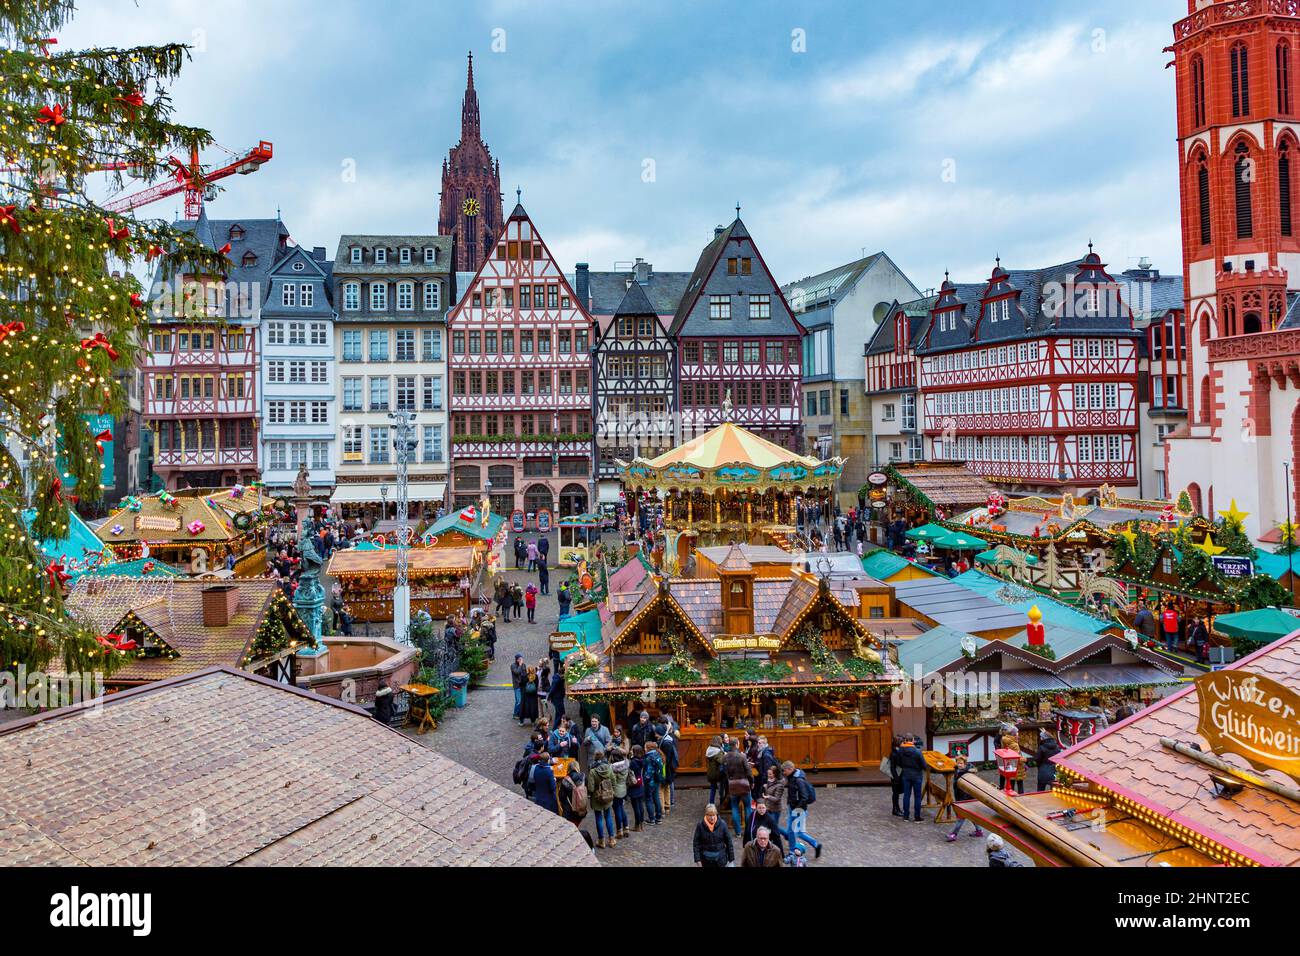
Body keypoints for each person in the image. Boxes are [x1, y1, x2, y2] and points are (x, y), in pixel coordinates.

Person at [784, 760, 823, 859]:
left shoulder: (798, 780)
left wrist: (796, 810)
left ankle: (815, 845)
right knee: (791, 831)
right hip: (793, 808)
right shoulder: (792, 777)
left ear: (790, 769)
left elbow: (804, 797)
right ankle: (793, 849)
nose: (783, 773)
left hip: (798, 810)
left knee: (798, 832)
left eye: (784, 771)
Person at [944, 755, 984, 842]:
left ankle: (954, 834)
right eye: (958, 763)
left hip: (966, 799)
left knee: (961, 817)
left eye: (961, 763)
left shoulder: (967, 774)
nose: (959, 765)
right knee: (971, 816)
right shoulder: (957, 770)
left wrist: (962, 802)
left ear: (965, 764)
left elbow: (968, 788)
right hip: (960, 797)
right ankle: (979, 831)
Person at [722, 737, 753, 835]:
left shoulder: (725, 757)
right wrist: (751, 782)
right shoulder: (742, 757)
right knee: (748, 807)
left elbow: (725, 772)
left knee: (734, 808)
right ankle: (748, 831)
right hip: (743, 784)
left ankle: (738, 832)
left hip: (732, 784)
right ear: (736, 744)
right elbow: (748, 771)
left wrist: (730, 779)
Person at [894, 733, 926, 821]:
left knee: (906, 795)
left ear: (905, 740)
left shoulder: (900, 750)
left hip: (906, 775)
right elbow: (924, 765)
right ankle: (917, 817)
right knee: (917, 796)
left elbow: (899, 763)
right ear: (912, 740)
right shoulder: (917, 751)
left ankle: (906, 816)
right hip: (917, 775)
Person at [588, 755, 618, 848]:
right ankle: (612, 839)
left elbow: (591, 788)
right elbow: (614, 782)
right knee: (608, 816)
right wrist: (609, 790)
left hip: (597, 799)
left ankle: (602, 841)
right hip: (608, 797)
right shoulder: (609, 769)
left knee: (599, 818)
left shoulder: (593, 772)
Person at [692, 804, 734, 868]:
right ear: (706, 815)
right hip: (706, 861)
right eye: (710, 815)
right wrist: (698, 860)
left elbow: (729, 841)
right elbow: (696, 843)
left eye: (713, 815)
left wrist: (731, 858)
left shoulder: (722, 824)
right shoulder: (700, 825)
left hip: (721, 860)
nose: (712, 818)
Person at [609, 747, 631, 839]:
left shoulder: (612, 768)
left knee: (617, 810)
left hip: (616, 791)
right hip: (623, 790)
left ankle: (619, 831)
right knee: (621, 808)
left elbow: (611, 780)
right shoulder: (626, 764)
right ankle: (626, 827)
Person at [658, 722, 679, 815]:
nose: (655, 734)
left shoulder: (665, 743)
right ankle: (667, 806)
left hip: (665, 769)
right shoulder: (669, 740)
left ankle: (662, 808)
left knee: (662, 789)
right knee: (667, 787)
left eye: (656, 733)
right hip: (669, 769)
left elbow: (666, 759)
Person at [642, 740, 665, 825]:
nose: (644, 749)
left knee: (649, 800)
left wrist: (645, 781)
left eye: (645, 747)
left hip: (650, 782)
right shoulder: (657, 754)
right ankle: (658, 818)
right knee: (656, 799)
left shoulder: (649, 758)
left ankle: (651, 819)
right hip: (657, 781)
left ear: (648, 748)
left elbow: (648, 772)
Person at [627, 744, 648, 831]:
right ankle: (641, 824)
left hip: (634, 785)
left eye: (632, 749)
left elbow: (630, 771)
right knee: (640, 805)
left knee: (636, 807)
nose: (630, 750)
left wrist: (630, 758)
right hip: (640, 784)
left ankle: (637, 825)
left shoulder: (633, 762)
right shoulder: (642, 760)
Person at [705, 735, 726, 805]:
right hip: (718, 773)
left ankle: (711, 803)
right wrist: (724, 754)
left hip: (711, 772)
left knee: (713, 789)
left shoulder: (709, 749)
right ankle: (722, 802)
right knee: (721, 788)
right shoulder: (717, 751)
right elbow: (722, 761)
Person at [889, 734, 905, 817]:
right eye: (902, 742)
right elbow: (892, 767)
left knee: (896, 793)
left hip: (898, 775)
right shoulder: (894, 753)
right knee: (895, 793)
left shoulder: (897, 751)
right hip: (896, 776)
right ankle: (895, 809)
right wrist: (896, 778)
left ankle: (897, 809)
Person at [510, 654, 527, 723]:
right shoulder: (513, 665)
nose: (521, 660)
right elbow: (516, 672)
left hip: (522, 685)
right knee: (518, 701)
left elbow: (524, 673)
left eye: (521, 659)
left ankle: (520, 713)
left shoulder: (523, 665)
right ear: (516, 659)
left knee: (522, 700)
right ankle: (515, 714)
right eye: (519, 659)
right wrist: (520, 665)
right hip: (517, 685)